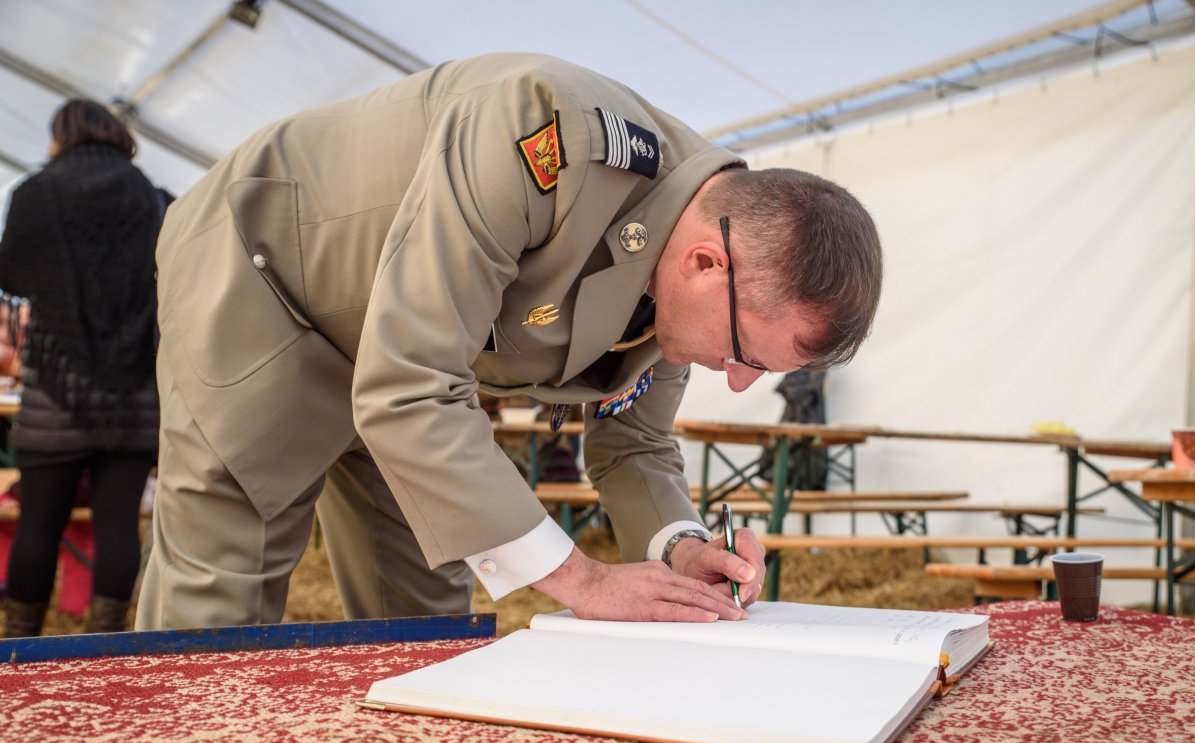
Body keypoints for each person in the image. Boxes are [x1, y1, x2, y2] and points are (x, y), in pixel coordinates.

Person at [135, 53, 882, 630]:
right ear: (705, 262)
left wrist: (681, 551)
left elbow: (636, 443)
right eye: (747, 355)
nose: (740, 379)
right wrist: (583, 581)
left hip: (408, 357)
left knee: (424, 612)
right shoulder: (543, 132)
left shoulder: (705, 248)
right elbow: (409, 386)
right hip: (271, 276)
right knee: (227, 582)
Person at [0, 99, 162, 637]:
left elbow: (13, 276)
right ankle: (106, 646)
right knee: (119, 525)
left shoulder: (36, 191)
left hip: (56, 385)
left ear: (62, 135)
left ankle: (20, 647)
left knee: (38, 524)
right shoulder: (146, 193)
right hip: (132, 391)